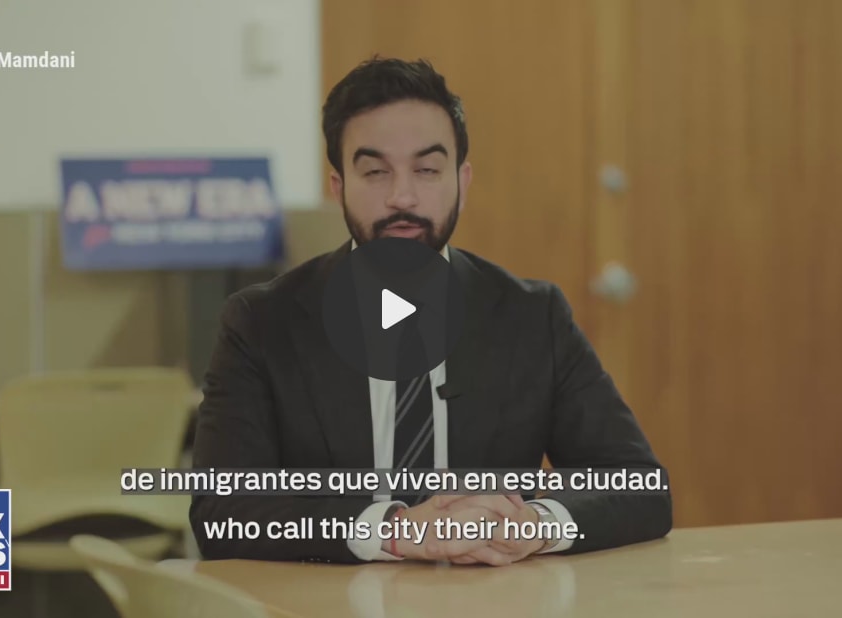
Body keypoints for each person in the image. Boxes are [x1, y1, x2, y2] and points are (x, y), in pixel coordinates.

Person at [189, 57, 671, 566]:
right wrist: (395, 531)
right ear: (339, 186)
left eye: (427, 170)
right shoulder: (261, 322)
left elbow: (638, 485)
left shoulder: (533, 316)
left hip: (490, 594)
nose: (403, 197)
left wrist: (536, 523)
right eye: (375, 172)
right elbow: (222, 511)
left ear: (462, 180)